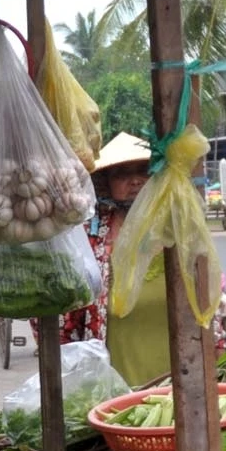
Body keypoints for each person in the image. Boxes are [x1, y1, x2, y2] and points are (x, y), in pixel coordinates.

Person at [49, 132, 152, 350]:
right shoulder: (89, 239)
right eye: (122, 174)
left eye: (143, 171)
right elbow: (65, 318)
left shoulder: (177, 230)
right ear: (107, 183)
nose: (135, 181)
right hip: (112, 372)